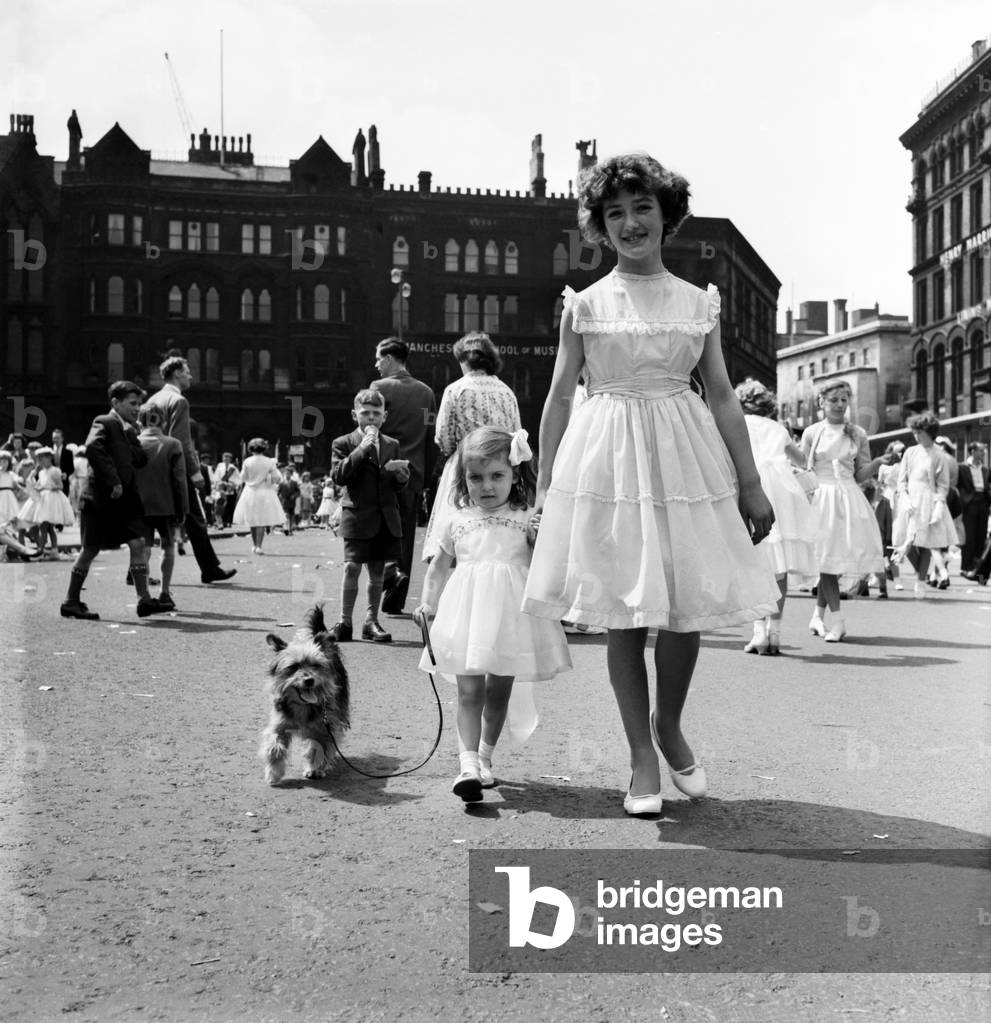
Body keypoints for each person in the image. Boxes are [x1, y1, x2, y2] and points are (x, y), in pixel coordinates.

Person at [521, 152, 780, 816]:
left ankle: (669, 723)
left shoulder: (698, 303)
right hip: (605, 459)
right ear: (598, 228)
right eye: (614, 213)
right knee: (624, 611)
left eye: (643, 209)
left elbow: (721, 394)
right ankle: (640, 755)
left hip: (681, 457)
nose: (630, 222)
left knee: (682, 604)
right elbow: (556, 397)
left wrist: (750, 484)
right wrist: (545, 484)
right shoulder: (584, 304)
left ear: (667, 217)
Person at [413, 426, 570, 802]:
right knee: (469, 692)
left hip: (511, 618)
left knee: (497, 692)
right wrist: (427, 603)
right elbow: (438, 567)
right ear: (463, 479)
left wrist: (539, 536)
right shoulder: (456, 520)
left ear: (515, 475)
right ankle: (467, 765)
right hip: (466, 616)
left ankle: (484, 757)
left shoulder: (526, 516)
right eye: (476, 477)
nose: (486, 486)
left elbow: (542, 565)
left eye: (497, 476)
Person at [60, 381, 167, 620]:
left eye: (139, 403)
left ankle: (144, 600)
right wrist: (113, 480)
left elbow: (139, 460)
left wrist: (132, 436)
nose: (137, 408)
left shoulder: (126, 428)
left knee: (138, 543)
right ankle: (71, 601)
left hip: (123, 501)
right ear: (115, 403)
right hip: (101, 498)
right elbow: (92, 447)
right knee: (90, 550)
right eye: (132, 403)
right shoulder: (104, 421)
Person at [801, 380, 891, 639]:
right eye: (834, 400)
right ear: (822, 402)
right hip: (822, 499)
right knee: (827, 560)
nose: (840, 405)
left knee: (834, 560)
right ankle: (838, 621)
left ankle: (818, 616)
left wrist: (877, 463)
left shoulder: (858, 433)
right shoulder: (812, 433)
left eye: (844, 400)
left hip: (849, 500)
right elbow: (804, 467)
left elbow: (860, 474)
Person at [421, 332, 521, 563]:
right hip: (501, 468)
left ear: (464, 361)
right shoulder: (507, 391)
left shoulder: (456, 389)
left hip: (467, 465)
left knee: (458, 531)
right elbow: (517, 434)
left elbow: (443, 436)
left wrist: (453, 451)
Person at [734, 379, 816, 654]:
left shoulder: (738, 424)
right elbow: (802, 460)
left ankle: (758, 631)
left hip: (751, 488)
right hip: (782, 494)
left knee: (755, 563)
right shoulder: (778, 428)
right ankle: (774, 632)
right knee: (779, 567)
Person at [144, 355, 236, 585]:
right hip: (175, 466)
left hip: (152, 467)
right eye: (187, 371)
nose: (190, 376)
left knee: (150, 518)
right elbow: (181, 441)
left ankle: (136, 569)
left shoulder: (153, 399)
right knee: (194, 518)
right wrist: (194, 471)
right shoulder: (179, 401)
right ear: (176, 374)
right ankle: (209, 569)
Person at [328, 389, 411, 643]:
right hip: (357, 516)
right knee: (352, 566)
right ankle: (344, 622)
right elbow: (339, 476)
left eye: (377, 414)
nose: (371, 419)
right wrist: (362, 449)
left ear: (384, 416)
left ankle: (371, 621)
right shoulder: (343, 443)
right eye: (366, 413)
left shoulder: (392, 444)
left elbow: (395, 486)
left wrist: (401, 478)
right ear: (355, 415)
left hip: (385, 516)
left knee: (377, 571)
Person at [370, 337, 437, 613]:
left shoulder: (379, 388)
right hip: (414, 472)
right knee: (405, 535)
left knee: (376, 529)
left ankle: (386, 573)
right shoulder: (426, 393)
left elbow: (371, 428)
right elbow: (430, 435)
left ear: (388, 358)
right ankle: (395, 600)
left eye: (377, 359)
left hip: (383, 470)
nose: (376, 365)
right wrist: (427, 476)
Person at [893, 413, 958, 597]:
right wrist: (903, 496)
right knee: (905, 540)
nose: (916, 436)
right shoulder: (910, 452)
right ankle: (919, 573)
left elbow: (943, 484)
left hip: (929, 499)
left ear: (929, 432)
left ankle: (920, 581)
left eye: (919, 432)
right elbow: (902, 479)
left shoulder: (939, 455)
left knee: (927, 542)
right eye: (914, 432)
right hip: (909, 499)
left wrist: (938, 504)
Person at [135, 404, 189, 612]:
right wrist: (183, 508)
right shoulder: (173, 444)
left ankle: (144, 594)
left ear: (140, 421)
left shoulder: (133, 444)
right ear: (164, 422)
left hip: (139, 506)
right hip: (166, 505)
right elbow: (179, 480)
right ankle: (165, 592)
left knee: (142, 549)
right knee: (168, 547)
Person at [18, 446, 75, 558]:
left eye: (43, 458)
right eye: (39, 459)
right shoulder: (41, 472)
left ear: (49, 458)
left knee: (44, 526)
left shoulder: (54, 471)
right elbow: (39, 484)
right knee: (48, 528)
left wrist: (48, 487)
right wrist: (36, 485)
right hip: (43, 500)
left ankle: (41, 549)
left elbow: (60, 486)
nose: (41, 461)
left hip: (52, 500)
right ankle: (54, 549)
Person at [232, 439, 285, 555]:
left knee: (252, 519)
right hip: (264, 491)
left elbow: (243, 477)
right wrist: (268, 477)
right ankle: (259, 546)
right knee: (261, 519)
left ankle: (254, 544)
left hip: (250, 491)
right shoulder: (269, 462)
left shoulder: (247, 461)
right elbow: (276, 478)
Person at [959, 442, 990, 579]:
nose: (983, 453)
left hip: (983, 502)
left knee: (981, 536)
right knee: (969, 536)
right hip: (969, 503)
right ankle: (965, 566)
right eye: (981, 450)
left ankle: (976, 568)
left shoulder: (985, 469)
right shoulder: (962, 467)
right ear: (972, 451)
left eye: (984, 451)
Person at [213, 453, 242, 529]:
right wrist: (219, 483)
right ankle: (222, 521)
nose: (226, 459)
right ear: (222, 458)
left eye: (228, 458)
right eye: (225, 458)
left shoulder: (233, 468)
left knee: (230, 505)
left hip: (230, 488)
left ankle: (229, 521)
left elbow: (238, 479)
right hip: (222, 488)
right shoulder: (220, 466)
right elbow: (216, 477)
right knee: (222, 505)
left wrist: (232, 484)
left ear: (230, 459)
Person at [51, 428, 74, 496]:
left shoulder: (68, 453)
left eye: (58, 438)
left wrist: (66, 474)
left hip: (63, 483)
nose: (56, 440)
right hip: (51, 482)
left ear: (62, 439)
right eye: (54, 438)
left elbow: (71, 468)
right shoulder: (48, 451)